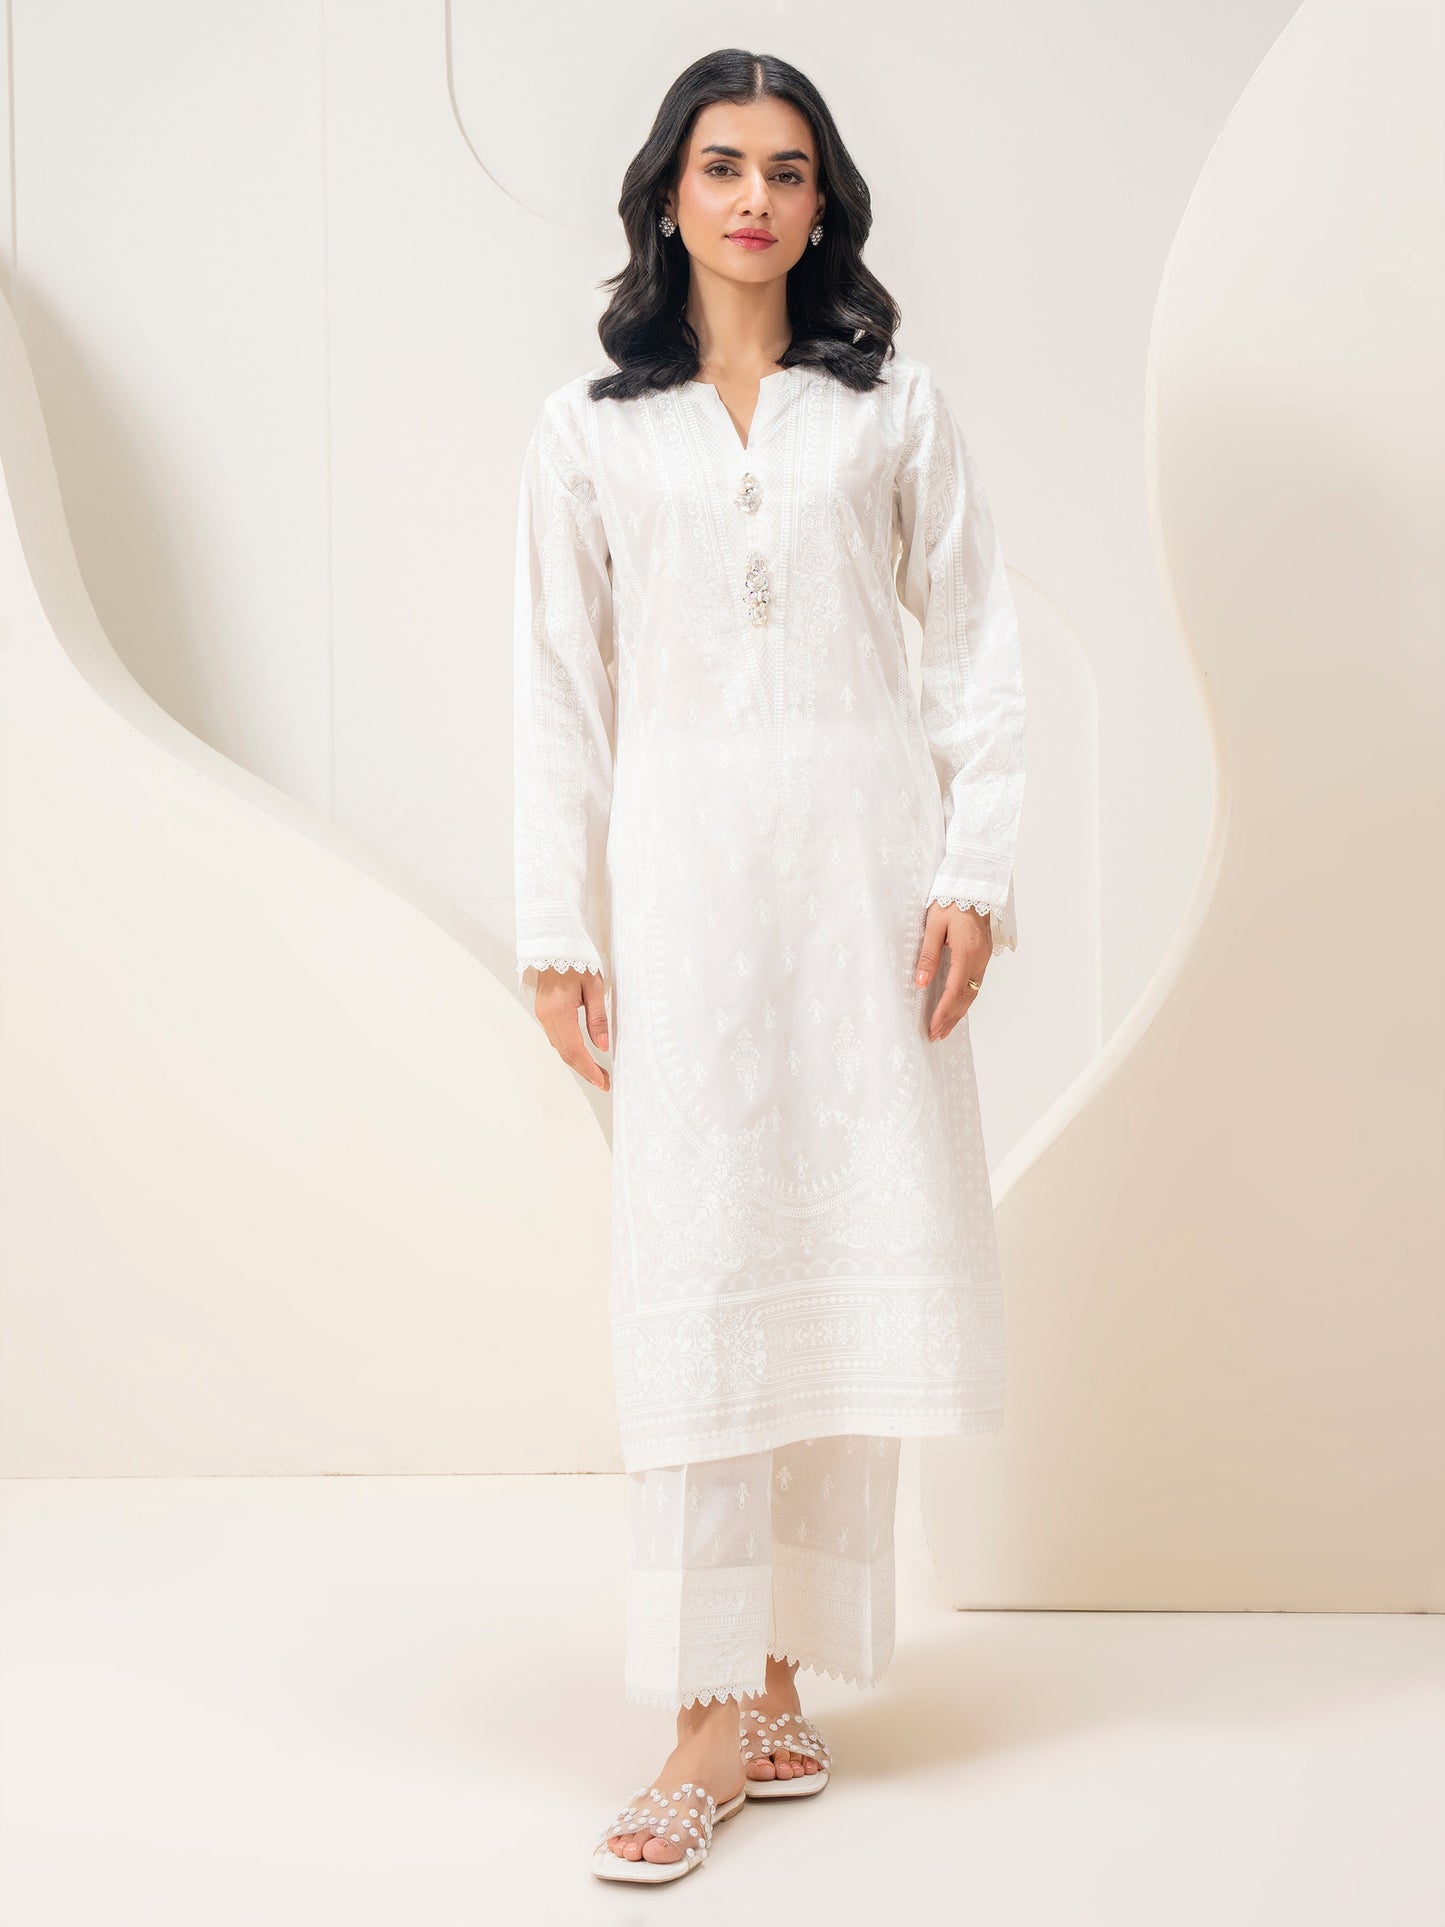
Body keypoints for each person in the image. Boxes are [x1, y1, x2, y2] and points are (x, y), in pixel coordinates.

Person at [512, 47, 1026, 1887]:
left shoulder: (887, 412)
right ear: (669, 192)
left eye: (786, 169)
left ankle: (777, 1674)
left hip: (861, 887)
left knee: (834, 1255)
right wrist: (555, 925)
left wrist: (974, 872)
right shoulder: (592, 433)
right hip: (687, 896)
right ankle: (699, 1712)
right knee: (705, 1255)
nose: (752, 197)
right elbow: (555, 692)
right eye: (721, 164)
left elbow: (973, 646)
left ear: (823, 205)